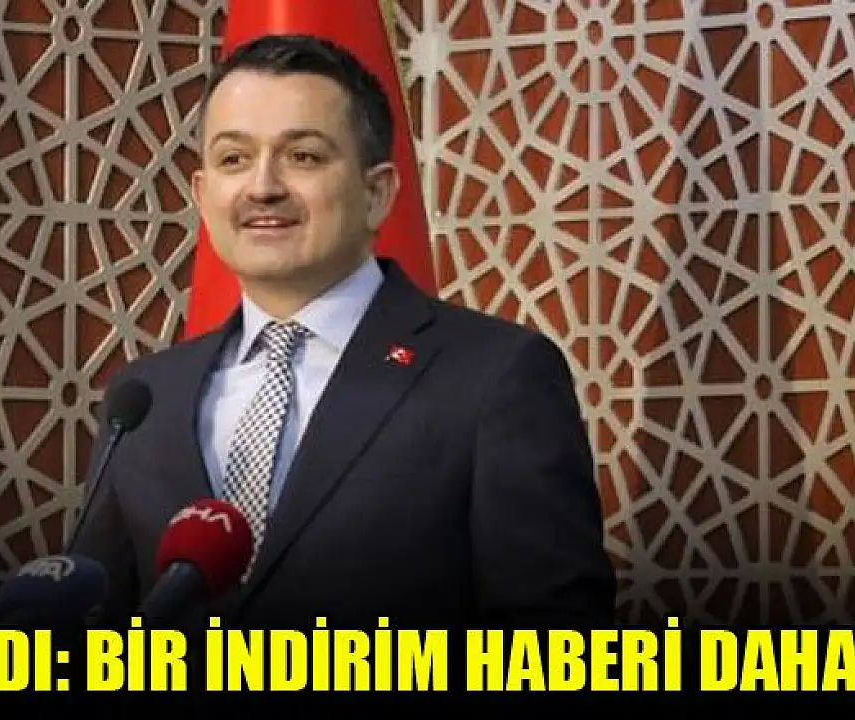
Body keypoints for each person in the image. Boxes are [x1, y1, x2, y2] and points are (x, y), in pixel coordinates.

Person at [68, 33, 616, 634]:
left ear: (376, 193)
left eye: (303, 156)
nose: (262, 186)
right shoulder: (144, 399)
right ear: (203, 195)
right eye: (233, 159)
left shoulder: (494, 377)